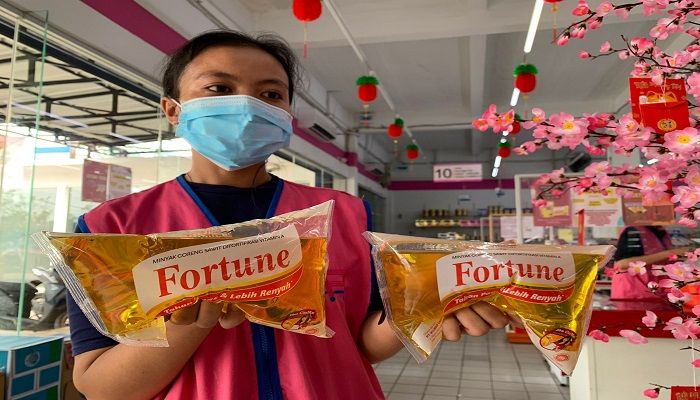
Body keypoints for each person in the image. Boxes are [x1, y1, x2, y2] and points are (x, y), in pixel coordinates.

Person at [67, 30, 509, 400]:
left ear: (286, 117)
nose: (247, 106)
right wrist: (189, 322)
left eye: (270, 94)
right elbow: (101, 387)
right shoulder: (110, 229)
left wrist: (428, 306)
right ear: (172, 109)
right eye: (219, 88)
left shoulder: (346, 214)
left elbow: (363, 346)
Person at [611, 225, 691, 300]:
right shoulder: (633, 231)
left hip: (656, 293)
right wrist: (670, 253)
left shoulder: (660, 232)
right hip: (634, 295)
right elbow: (623, 263)